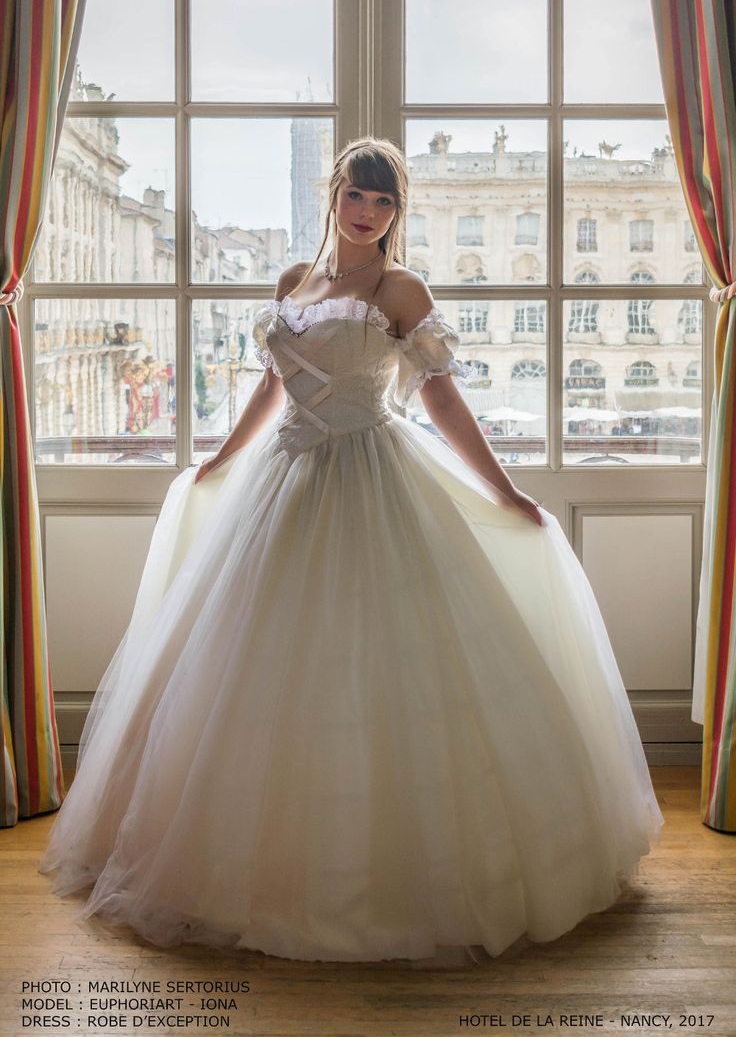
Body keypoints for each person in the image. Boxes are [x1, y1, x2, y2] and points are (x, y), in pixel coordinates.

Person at [38, 136, 664, 966]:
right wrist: (224, 460)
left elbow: (441, 398)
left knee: (388, 666)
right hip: (285, 479)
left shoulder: (402, 288)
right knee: (249, 669)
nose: (367, 214)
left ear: (396, 213)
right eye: (356, 197)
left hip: (373, 472)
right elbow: (271, 385)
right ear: (333, 194)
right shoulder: (292, 282)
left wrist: (503, 490)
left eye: (384, 203)